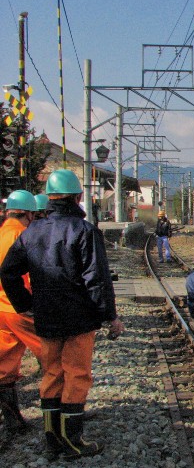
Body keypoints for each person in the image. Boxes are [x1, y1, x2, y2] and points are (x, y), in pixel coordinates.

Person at [0, 169, 124, 460]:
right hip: (79, 319)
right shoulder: (84, 231)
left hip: (46, 318)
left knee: (52, 373)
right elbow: (96, 279)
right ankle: (73, 441)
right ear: (79, 197)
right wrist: (110, 316)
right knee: (77, 375)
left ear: (50, 197)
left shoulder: (31, 232)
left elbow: (8, 272)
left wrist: (25, 303)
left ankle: (52, 440)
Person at [0, 190, 41, 438]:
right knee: (52, 354)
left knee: (5, 367)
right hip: (19, 308)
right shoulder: (22, 236)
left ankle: (13, 421)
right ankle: (63, 412)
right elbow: (32, 275)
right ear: (28, 213)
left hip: (0, 310)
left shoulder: (2, 232)